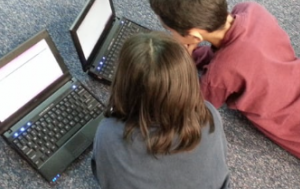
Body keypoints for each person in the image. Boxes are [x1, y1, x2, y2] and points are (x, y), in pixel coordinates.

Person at [147, 0, 300, 174]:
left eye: (170, 32)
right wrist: (195, 53)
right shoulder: (252, 11)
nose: (170, 35)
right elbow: (230, 54)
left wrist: (182, 58)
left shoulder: (218, 77)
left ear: (194, 35)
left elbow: (192, 108)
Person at [91, 31, 230, 189]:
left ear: (123, 84)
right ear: (188, 79)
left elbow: (101, 175)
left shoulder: (108, 134)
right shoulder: (209, 115)